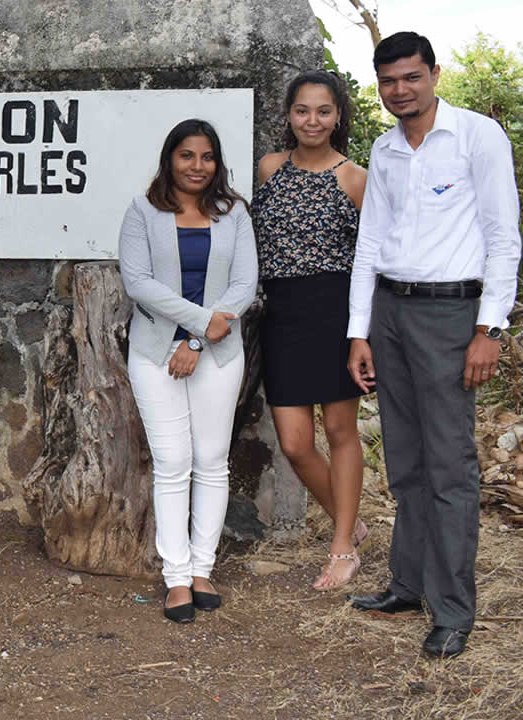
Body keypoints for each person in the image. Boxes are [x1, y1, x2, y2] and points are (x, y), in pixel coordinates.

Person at [345, 32, 521, 659]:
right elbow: (370, 243)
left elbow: (503, 237)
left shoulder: (477, 136)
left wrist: (489, 328)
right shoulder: (385, 148)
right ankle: (409, 584)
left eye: (411, 77)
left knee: (449, 465)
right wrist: (359, 331)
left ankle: (451, 610)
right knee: (405, 458)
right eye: (388, 81)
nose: (400, 90)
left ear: (434, 74)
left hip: (451, 313)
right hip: (390, 311)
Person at [118, 119, 258, 624]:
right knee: (173, 462)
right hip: (156, 351)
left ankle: (203, 569)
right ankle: (176, 576)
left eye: (207, 156)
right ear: (170, 159)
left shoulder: (234, 212)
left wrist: (198, 340)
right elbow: (138, 282)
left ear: (217, 162)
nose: (197, 166)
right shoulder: (143, 210)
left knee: (212, 460)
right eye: (187, 156)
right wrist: (199, 324)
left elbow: (244, 284)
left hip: (216, 353)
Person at [252, 71, 370, 590]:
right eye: (303, 110)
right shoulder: (269, 168)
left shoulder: (355, 178)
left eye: (323, 111)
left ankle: (342, 547)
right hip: (281, 316)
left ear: (338, 116)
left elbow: (370, 260)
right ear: (289, 114)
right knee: (296, 443)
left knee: (341, 433)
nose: (312, 120)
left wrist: (362, 332)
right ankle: (351, 522)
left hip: (335, 314)